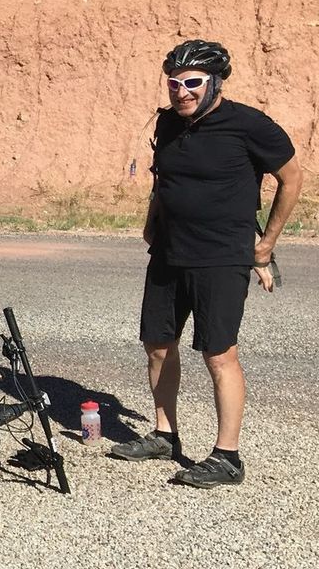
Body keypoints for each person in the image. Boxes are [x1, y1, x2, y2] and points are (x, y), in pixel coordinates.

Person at [110, 39, 303, 486]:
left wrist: (265, 246)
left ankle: (227, 457)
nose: (181, 92)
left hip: (221, 257)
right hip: (168, 252)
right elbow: (163, 179)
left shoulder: (250, 125)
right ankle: (164, 435)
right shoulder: (169, 123)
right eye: (174, 84)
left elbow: (292, 179)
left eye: (192, 82)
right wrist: (152, 221)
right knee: (158, 344)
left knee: (219, 353)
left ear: (215, 82)